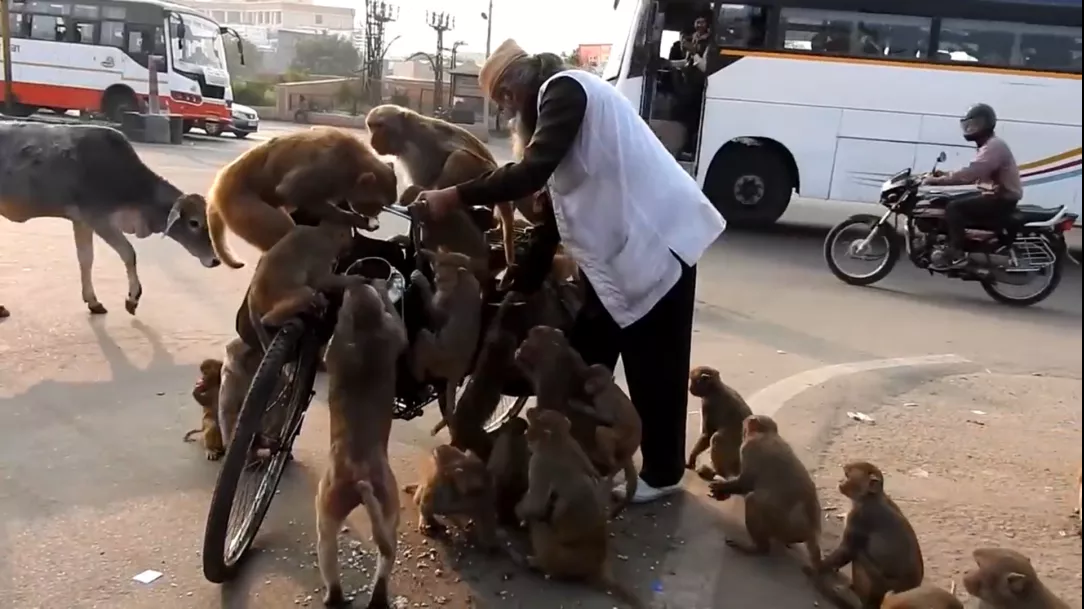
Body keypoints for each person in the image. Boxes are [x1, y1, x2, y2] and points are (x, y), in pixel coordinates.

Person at [415, 39, 727, 504]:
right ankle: (583, 454)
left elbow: (529, 172)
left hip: (657, 239)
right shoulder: (561, 116)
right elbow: (551, 221)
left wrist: (453, 196)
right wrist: (518, 283)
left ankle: (663, 474)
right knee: (585, 352)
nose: (507, 111)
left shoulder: (563, 91)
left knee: (654, 364)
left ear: (519, 84)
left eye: (504, 98)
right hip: (617, 254)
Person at [923, 103, 1022, 268]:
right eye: (969, 124)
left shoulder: (994, 146)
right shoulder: (989, 145)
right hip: (994, 194)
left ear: (987, 124)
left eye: (976, 124)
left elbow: (970, 174)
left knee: (954, 208)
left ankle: (957, 254)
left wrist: (937, 180)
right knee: (944, 201)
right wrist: (944, 175)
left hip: (1001, 198)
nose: (970, 128)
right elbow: (972, 171)